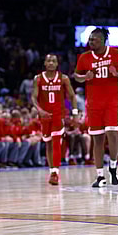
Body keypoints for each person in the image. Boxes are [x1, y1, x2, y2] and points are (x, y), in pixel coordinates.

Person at [74, 28, 118, 188]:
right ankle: (100, 175)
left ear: (102, 40)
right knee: (98, 139)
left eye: (94, 39)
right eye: (90, 39)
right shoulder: (84, 57)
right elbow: (76, 76)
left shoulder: (117, 54)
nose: (90, 42)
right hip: (93, 104)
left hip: (111, 102)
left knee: (113, 134)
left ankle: (113, 166)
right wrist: (84, 77)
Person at [32, 53, 77, 185]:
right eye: (48, 61)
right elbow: (34, 97)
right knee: (49, 143)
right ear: (45, 63)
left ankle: (55, 173)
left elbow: (72, 96)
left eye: (53, 61)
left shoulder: (64, 78)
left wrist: (74, 113)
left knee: (57, 142)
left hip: (58, 115)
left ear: (57, 64)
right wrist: (39, 110)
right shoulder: (38, 78)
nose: (51, 63)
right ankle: (52, 169)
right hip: (44, 116)